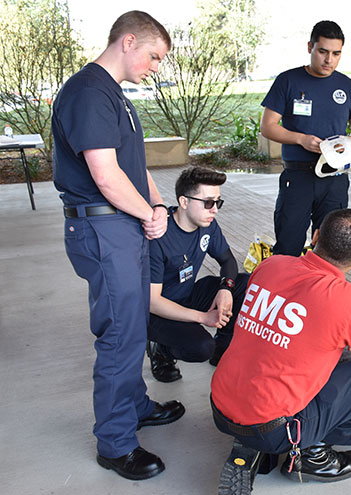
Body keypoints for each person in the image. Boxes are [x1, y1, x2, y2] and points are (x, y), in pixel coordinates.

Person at [52, 11, 184, 480]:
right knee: (119, 336)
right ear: (128, 42)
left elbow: (131, 167)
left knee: (133, 324)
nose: (154, 66)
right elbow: (105, 177)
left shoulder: (115, 96)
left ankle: (134, 404)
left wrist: (158, 206)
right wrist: (147, 214)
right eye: (153, 56)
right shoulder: (88, 92)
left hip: (122, 225)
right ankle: (115, 442)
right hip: (103, 229)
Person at [211, 209, 351, 493]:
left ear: (314, 236)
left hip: (220, 405)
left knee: (313, 351)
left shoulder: (271, 265)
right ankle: (313, 453)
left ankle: (254, 443)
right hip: (275, 427)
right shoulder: (348, 301)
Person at [260, 20, 351, 256]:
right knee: (288, 245)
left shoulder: (348, 87)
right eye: (323, 51)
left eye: (336, 53)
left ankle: (320, 292)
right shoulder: (288, 81)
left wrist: (348, 143)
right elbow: (267, 127)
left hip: (335, 177)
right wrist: (300, 139)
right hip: (298, 176)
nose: (329, 60)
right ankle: (287, 291)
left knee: (331, 249)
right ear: (310, 46)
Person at [147, 167, 250, 382]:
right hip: (156, 313)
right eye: (208, 202)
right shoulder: (159, 235)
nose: (215, 210)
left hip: (187, 295)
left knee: (247, 284)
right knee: (202, 347)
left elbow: (228, 261)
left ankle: (223, 347)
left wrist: (225, 288)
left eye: (218, 203)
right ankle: (161, 351)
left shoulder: (207, 225)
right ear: (184, 202)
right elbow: (153, 303)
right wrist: (203, 318)